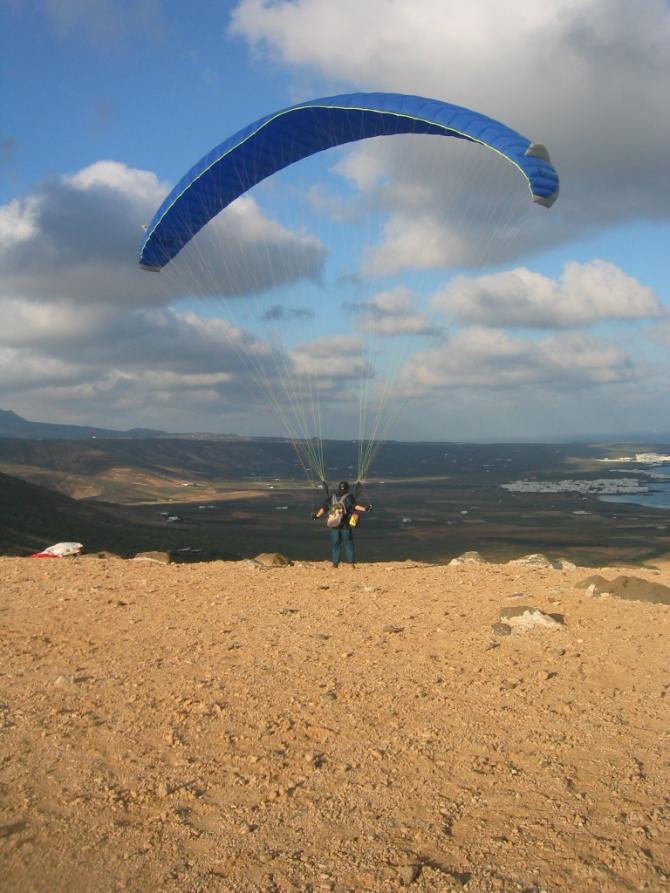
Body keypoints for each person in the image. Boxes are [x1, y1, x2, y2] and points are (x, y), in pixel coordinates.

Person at [312, 480, 372, 568]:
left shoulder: (332, 498)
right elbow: (354, 506)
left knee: (336, 544)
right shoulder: (349, 497)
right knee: (348, 543)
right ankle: (351, 563)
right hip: (346, 525)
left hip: (334, 525)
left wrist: (316, 516)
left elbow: (324, 508)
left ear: (339, 488)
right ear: (347, 488)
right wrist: (365, 509)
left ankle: (335, 564)